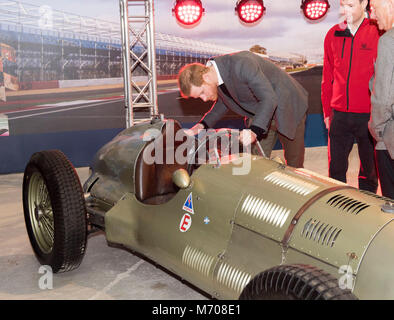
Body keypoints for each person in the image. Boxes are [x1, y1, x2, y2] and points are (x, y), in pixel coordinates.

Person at [177, 50, 309, 168]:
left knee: (294, 165)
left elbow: (269, 98)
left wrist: (253, 131)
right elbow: (224, 103)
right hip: (261, 112)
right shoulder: (217, 77)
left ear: (205, 77)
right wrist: (201, 126)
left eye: (202, 93)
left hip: (287, 104)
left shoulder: (242, 64)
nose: (204, 99)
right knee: (255, 163)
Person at [321, 0, 380, 192]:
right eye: (342, 5)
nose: (345, 10)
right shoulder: (332, 34)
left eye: (351, 5)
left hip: (368, 115)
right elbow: (327, 77)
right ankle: (336, 209)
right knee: (336, 170)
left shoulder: (378, 32)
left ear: (364, 4)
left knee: (370, 171)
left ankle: (367, 211)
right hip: (339, 114)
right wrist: (327, 113)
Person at [368, 0, 394, 199]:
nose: (373, 16)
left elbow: (383, 99)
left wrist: (376, 131)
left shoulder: (388, 41)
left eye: (374, 9)